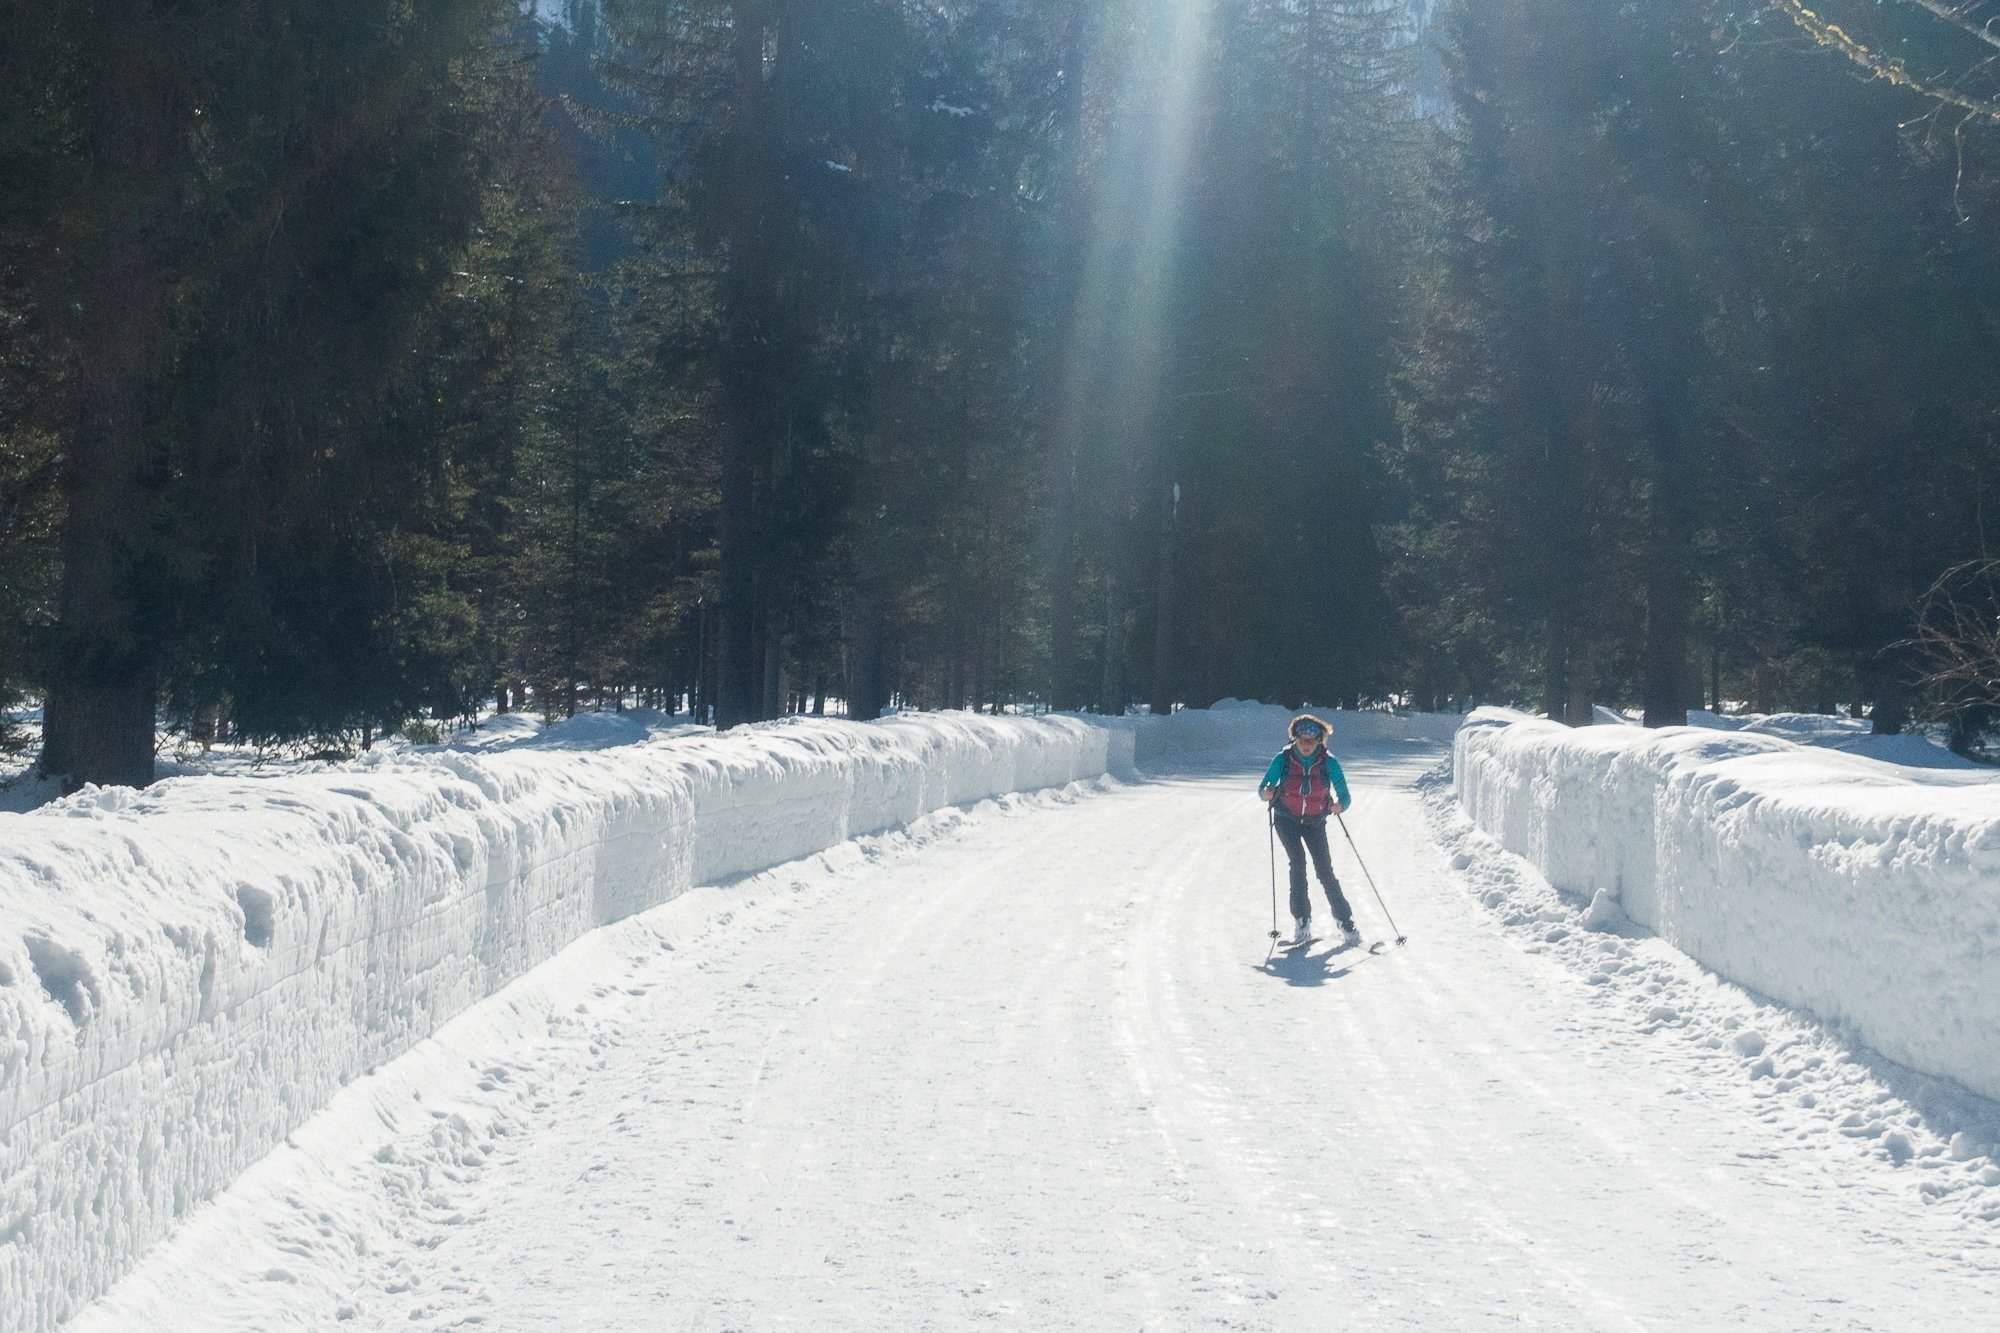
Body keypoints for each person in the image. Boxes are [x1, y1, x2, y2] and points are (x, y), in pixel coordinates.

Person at [1258, 713, 1361, 948]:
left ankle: (1345, 920)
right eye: (1301, 741)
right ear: (1294, 739)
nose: (1306, 746)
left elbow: (1345, 794)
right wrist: (1267, 792)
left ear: (1320, 741)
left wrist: (1340, 805)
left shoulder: (1329, 762)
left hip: (1315, 821)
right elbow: (1263, 786)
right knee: (1298, 862)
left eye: (1311, 741)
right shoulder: (1282, 760)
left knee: (1324, 870)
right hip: (1286, 819)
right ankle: (1302, 919)